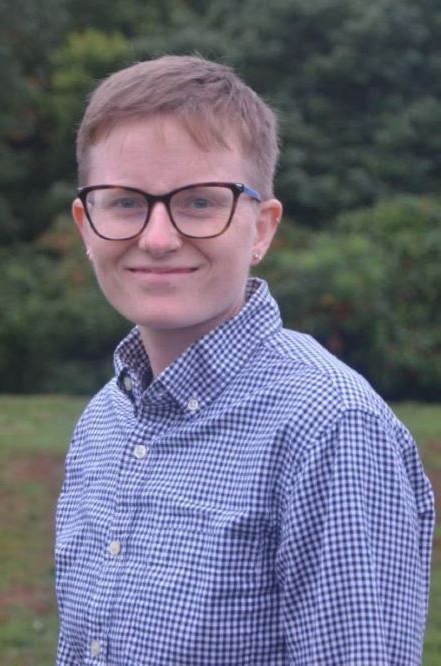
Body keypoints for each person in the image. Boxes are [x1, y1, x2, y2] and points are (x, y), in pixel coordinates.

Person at [55, 55, 434, 665]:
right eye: (125, 202)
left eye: (201, 203)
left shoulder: (331, 428)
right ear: (86, 224)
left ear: (261, 228)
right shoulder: (105, 421)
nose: (156, 238)